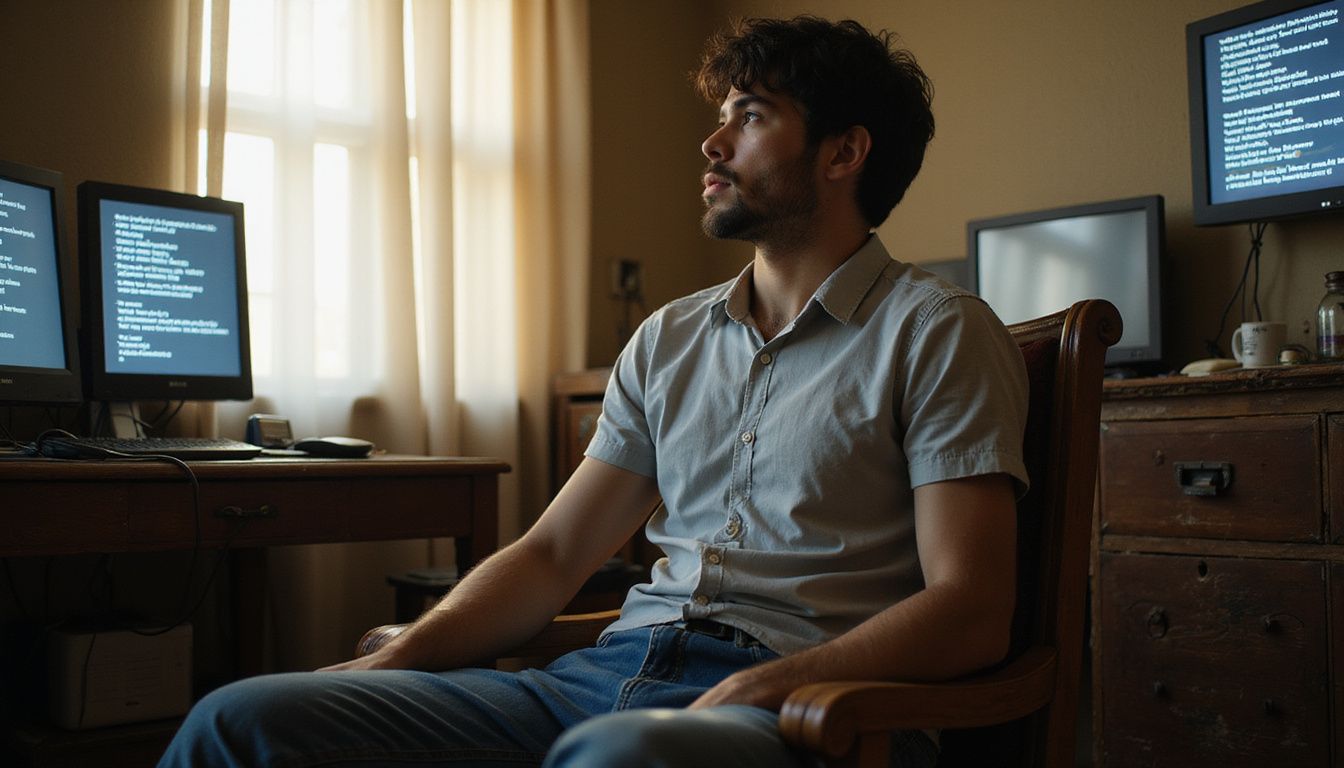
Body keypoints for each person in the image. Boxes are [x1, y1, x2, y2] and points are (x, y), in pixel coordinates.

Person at [159, 15, 1027, 768]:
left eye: (751, 116)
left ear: (845, 151)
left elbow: (972, 610)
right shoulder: (669, 339)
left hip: (818, 715)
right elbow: (549, 559)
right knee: (242, 718)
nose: (712, 142)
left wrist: (763, 686)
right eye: (720, 116)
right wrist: (395, 661)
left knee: (619, 757)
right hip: (605, 679)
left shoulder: (938, 332)